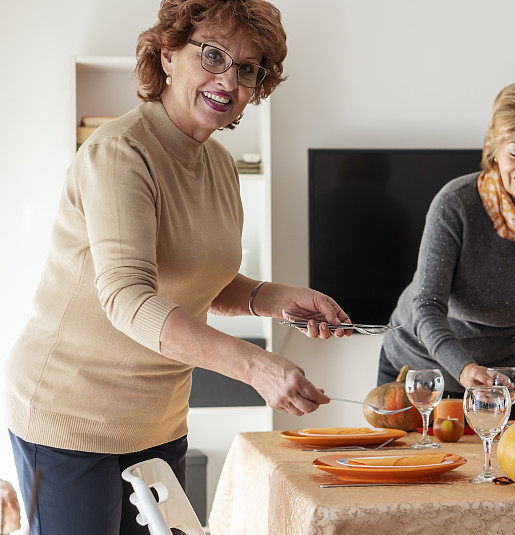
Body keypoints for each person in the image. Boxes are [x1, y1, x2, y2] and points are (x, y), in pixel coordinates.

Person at [4, 1, 349, 533]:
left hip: (158, 419)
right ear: (168, 55)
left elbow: (204, 281)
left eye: (247, 68)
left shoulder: (218, 164)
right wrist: (254, 366)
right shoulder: (121, 152)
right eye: (213, 55)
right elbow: (129, 298)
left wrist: (276, 298)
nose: (228, 79)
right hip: (71, 418)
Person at [378, 81, 515, 420]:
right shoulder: (456, 204)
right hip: (420, 375)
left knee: (506, 473)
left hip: (502, 381)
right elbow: (427, 306)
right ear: (496, 150)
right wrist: (465, 369)